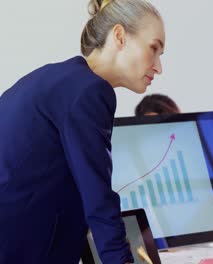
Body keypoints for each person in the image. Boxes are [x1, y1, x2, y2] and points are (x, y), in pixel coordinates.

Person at [0, 0, 165, 263]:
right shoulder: (89, 91)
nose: (158, 66)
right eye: (153, 48)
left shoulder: (60, 78)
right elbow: (99, 201)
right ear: (119, 36)